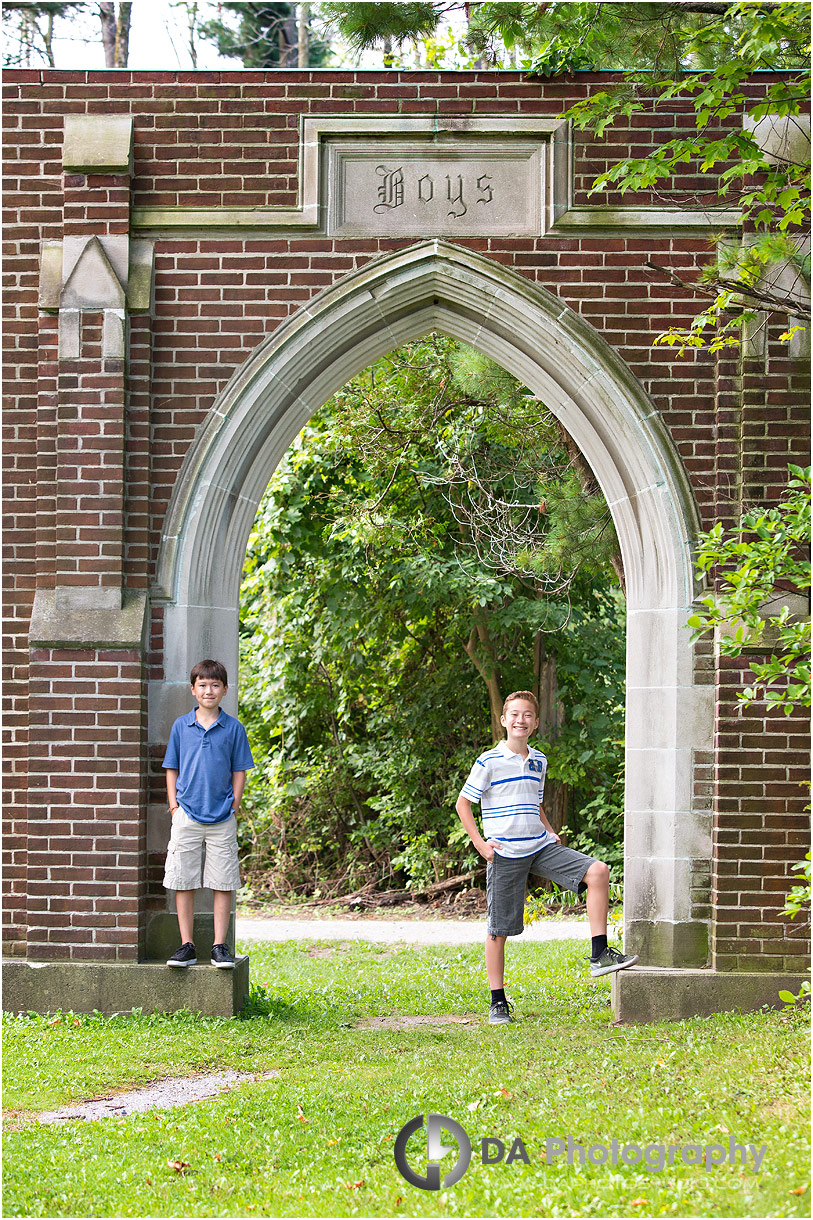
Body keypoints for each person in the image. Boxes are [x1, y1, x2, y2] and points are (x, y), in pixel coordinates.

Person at [456, 689, 637, 1025]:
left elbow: (535, 803)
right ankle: (498, 1002)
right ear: (503, 720)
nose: (520, 720)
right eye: (514, 714)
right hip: (506, 853)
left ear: (535, 722)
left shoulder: (539, 761)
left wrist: (550, 830)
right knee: (498, 930)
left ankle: (600, 954)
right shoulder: (488, 761)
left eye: (527, 715)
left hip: (540, 845)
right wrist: (481, 844)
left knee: (597, 872)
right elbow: (463, 803)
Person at [162, 659, 254, 968]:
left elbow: (240, 769)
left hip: (221, 817)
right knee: (184, 879)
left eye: (215, 685)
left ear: (225, 689)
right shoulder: (181, 726)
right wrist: (174, 807)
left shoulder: (233, 728)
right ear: (192, 689)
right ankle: (186, 945)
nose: (208, 690)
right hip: (187, 813)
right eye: (202, 684)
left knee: (223, 881)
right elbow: (171, 768)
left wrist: (235, 803)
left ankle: (219, 947)